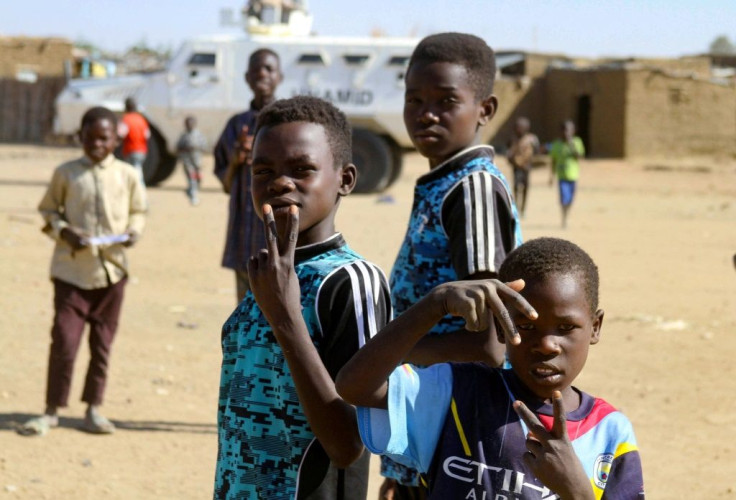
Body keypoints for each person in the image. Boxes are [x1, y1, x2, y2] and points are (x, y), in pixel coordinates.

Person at [337, 237, 645, 499]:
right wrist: (436, 303)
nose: (547, 344)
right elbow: (354, 386)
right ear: (500, 328)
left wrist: (578, 492)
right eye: (525, 325)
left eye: (565, 327)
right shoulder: (456, 392)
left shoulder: (609, 432)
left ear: (595, 327)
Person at [213, 95, 392, 499]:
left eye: (301, 169)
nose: (280, 183)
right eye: (264, 171)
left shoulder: (351, 280)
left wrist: (285, 316)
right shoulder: (266, 273)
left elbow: (348, 445)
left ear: (345, 179)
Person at [383, 32, 523, 497]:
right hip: (431, 436)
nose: (425, 114)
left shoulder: (473, 190)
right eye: (414, 99)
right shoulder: (444, 183)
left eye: (446, 101)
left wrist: (388, 350)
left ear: (485, 109)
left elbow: (488, 346)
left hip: (459, 435)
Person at [20, 106, 146, 436]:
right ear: (81, 138)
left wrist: (133, 231)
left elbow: (138, 211)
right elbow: (48, 211)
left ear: (115, 140)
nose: (96, 145)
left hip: (112, 273)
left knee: (102, 345)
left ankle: (93, 409)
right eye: (89, 138)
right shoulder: (65, 173)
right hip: (71, 273)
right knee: (64, 341)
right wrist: (64, 231)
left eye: (103, 139)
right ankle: (50, 410)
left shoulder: (128, 175)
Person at [214, 48, 282, 303]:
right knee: (246, 314)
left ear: (280, 76)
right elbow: (226, 184)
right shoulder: (236, 125)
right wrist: (235, 162)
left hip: (278, 238)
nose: (262, 74)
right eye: (256, 70)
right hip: (244, 239)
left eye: (269, 69)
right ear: (247, 78)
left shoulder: (289, 122)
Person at [548, 120, 585, 228]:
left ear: (573, 131)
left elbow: (579, 156)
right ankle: (564, 218)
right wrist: (551, 176)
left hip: (573, 176)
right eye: (564, 130)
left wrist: (571, 144)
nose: (566, 132)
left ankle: (567, 212)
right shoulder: (556, 144)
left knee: (571, 199)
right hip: (562, 176)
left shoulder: (577, 142)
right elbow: (553, 161)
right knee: (564, 198)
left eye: (569, 130)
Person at [506, 116, 539, 217]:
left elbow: (537, 151)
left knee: (525, 187)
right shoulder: (513, 139)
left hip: (526, 167)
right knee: (516, 187)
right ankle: (515, 206)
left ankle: (523, 208)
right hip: (516, 167)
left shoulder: (531, 139)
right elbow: (509, 152)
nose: (518, 130)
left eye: (520, 127)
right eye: (517, 127)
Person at [119, 96, 151, 189]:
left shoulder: (126, 119)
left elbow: (121, 133)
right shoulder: (141, 119)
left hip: (131, 150)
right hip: (142, 150)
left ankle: (141, 196)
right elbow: (147, 135)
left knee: (135, 174)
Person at [176, 115, 208, 206]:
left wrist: (196, 148)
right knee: (191, 177)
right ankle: (193, 196)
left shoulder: (198, 135)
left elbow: (204, 146)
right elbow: (178, 147)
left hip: (197, 160)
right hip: (187, 161)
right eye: (187, 123)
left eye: (191, 123)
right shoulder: (184, 136)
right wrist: (186, 149)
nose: (189, 125)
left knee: (198, 178)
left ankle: (193, 189)